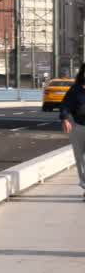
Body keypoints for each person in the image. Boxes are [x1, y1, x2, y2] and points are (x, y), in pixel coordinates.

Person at [60, 63, 85, 199]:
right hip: (78, 127)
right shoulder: (75, 90)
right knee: (80, 159)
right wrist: (65, 118)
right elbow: (65, 106)